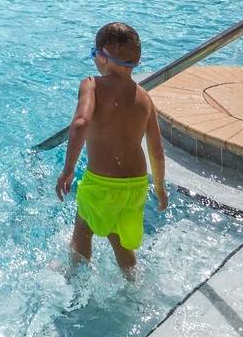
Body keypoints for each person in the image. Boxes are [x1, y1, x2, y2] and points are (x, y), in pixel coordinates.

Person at [54, 22, 167, 275]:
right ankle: (132, 280)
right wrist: (159, 187)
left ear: (102, 56)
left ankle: (74, 276)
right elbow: (156, 149)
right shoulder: (145, 98)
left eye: (94, 54)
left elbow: (81, 123)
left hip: (102, 183)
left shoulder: (92, 84)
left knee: (83, 229)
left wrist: (68, 169)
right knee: (120, 238)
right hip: (136, 186)